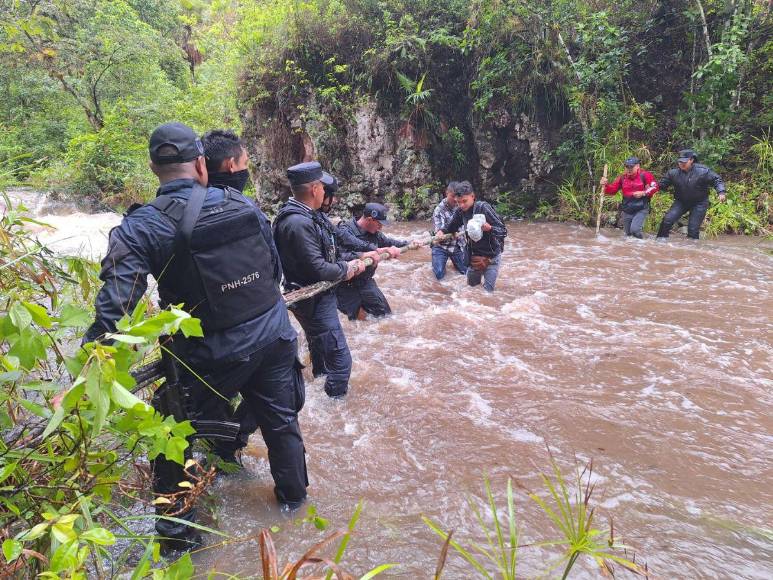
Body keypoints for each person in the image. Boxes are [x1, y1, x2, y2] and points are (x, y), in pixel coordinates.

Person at [83, 122, 308, 551]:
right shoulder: (244, 206)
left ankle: (178, 545)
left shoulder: (141, 227)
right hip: (274, 336)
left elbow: (116, 309)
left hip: (208, 357)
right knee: (282, 425)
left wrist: (87, 369)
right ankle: (295, 511)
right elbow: (273, 272)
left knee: (172, 436)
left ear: (153, 167)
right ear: (202, 163)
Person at [272, 162, 365, 398]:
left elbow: (328, 251)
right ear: (314, 189)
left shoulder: (306, 216)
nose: (325, 194)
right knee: (342, 362)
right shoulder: (297, 222)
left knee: (321, 349)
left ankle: (320, 385)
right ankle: (334, 407)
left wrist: (358, 257)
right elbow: (318, 268)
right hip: (312, 297)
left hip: (312, 296)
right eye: (323, 188)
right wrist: (347, 268)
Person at [336, 203, 410, 320]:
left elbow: (390, 242)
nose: (380, 227)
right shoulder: (345, 231)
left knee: (385, 317)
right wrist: (361, 256)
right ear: (369, 220)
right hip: (345, 285)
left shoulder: (375, 234)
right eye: (379, 224)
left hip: (365, 282)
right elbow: (337, 257)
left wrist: (410, 243)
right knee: (357, 322)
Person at [435, 181, 507, 292]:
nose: (462, 205)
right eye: (459, 202)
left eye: (464, 201)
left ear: (472, 196)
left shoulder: (484, 208)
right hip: (474, 258)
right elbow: (451, 227)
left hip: (491, 258)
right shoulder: (460, 212)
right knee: (471, 293)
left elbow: (503, 231)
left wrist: (490, 228)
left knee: (487, 293)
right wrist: (441, 231)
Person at [656, 149, 726, 240]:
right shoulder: (673, 173)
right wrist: (649, 187)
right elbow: (661, 185)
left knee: (693, 229)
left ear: (691, 160)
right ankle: (660, 241)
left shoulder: (703, 171)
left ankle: (692, 249)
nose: (682, 164)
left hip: (699, 203)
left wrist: (721, 192)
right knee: (667, 220)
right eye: (680, 162)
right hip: (681, 202)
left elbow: (717, 180)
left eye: (684, 162)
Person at [600, 157, 659, 239]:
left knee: (634, 230)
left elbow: (655, 187)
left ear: (638, 166)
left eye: (631, 167)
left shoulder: (645, 175)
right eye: (627, 167)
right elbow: (612, 190)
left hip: (641, 208)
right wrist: (605, 185)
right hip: (627, 208)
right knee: (627, 235)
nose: (629, 169)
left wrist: (643, 193)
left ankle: (643, 245)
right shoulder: (622, 177)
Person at [431, 181, 468, 278]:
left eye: (457, 197)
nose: (455, 200)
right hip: (441, 246)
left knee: (466, 272)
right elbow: (440, 231)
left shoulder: (461, 206)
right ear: (447, 193)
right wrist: (441, 233)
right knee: (439, 274)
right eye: (452, 196)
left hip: (457, 245)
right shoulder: (439, 210)